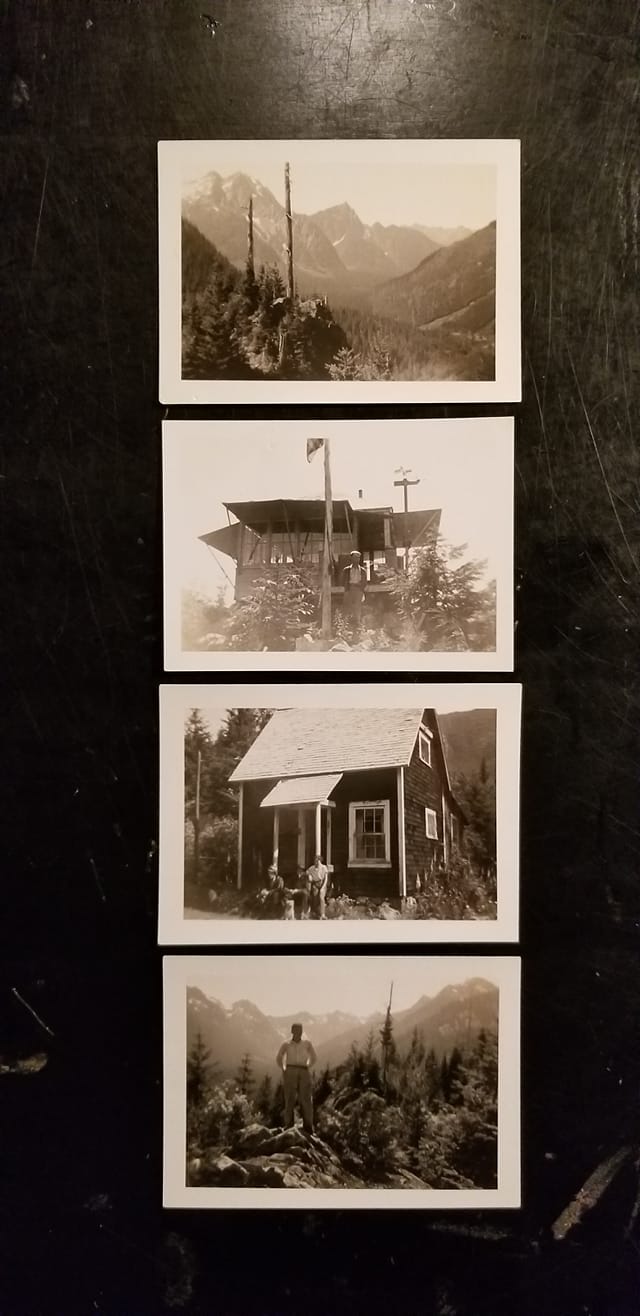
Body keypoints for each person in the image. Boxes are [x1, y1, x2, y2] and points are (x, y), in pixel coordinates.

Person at [276, 1023, 317, 1133]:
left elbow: (314, 1057)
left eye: (300, 1030)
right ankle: (288, 1125)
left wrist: (307, 1066)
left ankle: (308, 1126)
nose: (298, 1032)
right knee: (290, 1098)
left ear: (302, 1031)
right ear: (292, 1031)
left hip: (303, 1070)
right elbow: (279, 1057)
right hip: (290, 1070)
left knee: (306, 1099)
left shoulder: (307, 1043)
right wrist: (283, 1068)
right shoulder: (286, 1044)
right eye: (296, 1030)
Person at [341, 549, 367, 630]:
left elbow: (364, 582)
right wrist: (346, 588)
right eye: (355, 558)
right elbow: (342, 580)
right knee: (347, 606)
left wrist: (361, 589)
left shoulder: (362, 570)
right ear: (351, 559)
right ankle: (345, 625)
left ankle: (357, 624)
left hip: (358, 590)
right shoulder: (346, 570)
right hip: (349, 589)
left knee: (357, 607)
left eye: (358, 558)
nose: (356, 560)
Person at [307, 854, 329, 919]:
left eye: (318, 861)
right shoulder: (311, 868)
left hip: (322, 883)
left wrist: (323, 887)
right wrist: (309, 876)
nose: (317, 862)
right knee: (315, 896)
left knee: (321, 897)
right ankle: (316, 913)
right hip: (315, 884)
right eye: (315, 861)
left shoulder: (324, 867)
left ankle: (323, 914)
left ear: (320, 861)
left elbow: (326, 879)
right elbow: (307, 873)